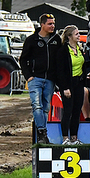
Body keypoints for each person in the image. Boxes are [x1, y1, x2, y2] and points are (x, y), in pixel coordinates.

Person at [20, 13, 62, 144]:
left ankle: (42, 134)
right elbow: (23, 59)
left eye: (53, 23)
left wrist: (57, 77)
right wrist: (28, 76)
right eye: (49, 24)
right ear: (42, 25)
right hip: (35, 78)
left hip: (50, 79)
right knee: (36, 105)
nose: (52, 26)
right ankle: (42, 132)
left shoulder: (56, 40)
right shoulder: (31, 40)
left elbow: (59, 59)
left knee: (45, 108)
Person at [56, 26, 86, 145]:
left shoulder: (79, 49)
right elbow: (60, 71)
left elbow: (83, 64)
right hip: (68, 83)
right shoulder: (63, 51)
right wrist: (64, 88)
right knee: (68, 111)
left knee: (76, 110)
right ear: (69, 36)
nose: (79, 36)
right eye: (76, 34)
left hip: (79, 83)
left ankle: (74, 137)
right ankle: (65, 138)